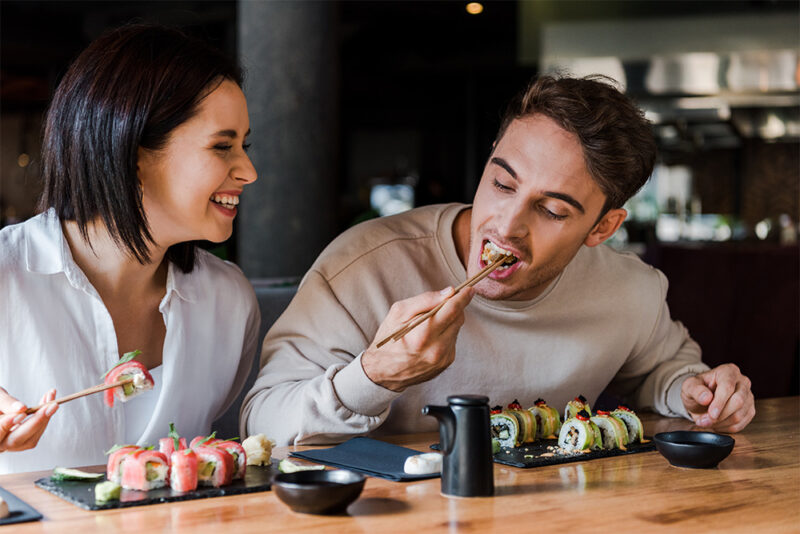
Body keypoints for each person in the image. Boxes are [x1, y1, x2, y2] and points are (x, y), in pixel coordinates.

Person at [242, 74, 755, 446]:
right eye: (502, 182)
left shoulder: (632, 290)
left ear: (603, 227)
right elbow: (261, 423)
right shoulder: (364, 266)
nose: (507, 224)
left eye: (552, 210)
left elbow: (661, 371)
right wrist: (374, 376)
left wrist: (695, 390)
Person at [0, 24, 260, 473]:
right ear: (132, 153)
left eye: (244, 145)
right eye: (223, 146)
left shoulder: (229, 303)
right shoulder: (6, 279)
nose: (249, 171)